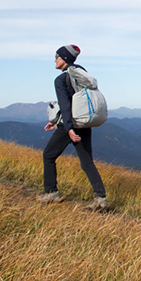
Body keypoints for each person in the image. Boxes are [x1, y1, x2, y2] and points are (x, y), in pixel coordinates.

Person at [37, 44, 109, 210]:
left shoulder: (61, 79)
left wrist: (68, 128)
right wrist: (55, 119)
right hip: (84, 123)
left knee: (48, 155)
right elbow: (74, 103)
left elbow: (65, 103)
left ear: (64, 59)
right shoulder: (80, 75)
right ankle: (100, 199)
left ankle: (51, 193)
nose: (55, 60)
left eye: (57, 57)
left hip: (70, 125)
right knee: (86, 162)